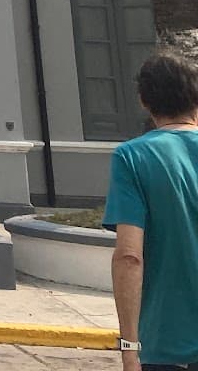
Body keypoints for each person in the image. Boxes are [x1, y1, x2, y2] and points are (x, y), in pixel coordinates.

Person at [104, 48, 198, 370]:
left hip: (165, 344)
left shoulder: (132, 158)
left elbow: (129, 257)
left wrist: (130, 349)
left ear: (144, 101)